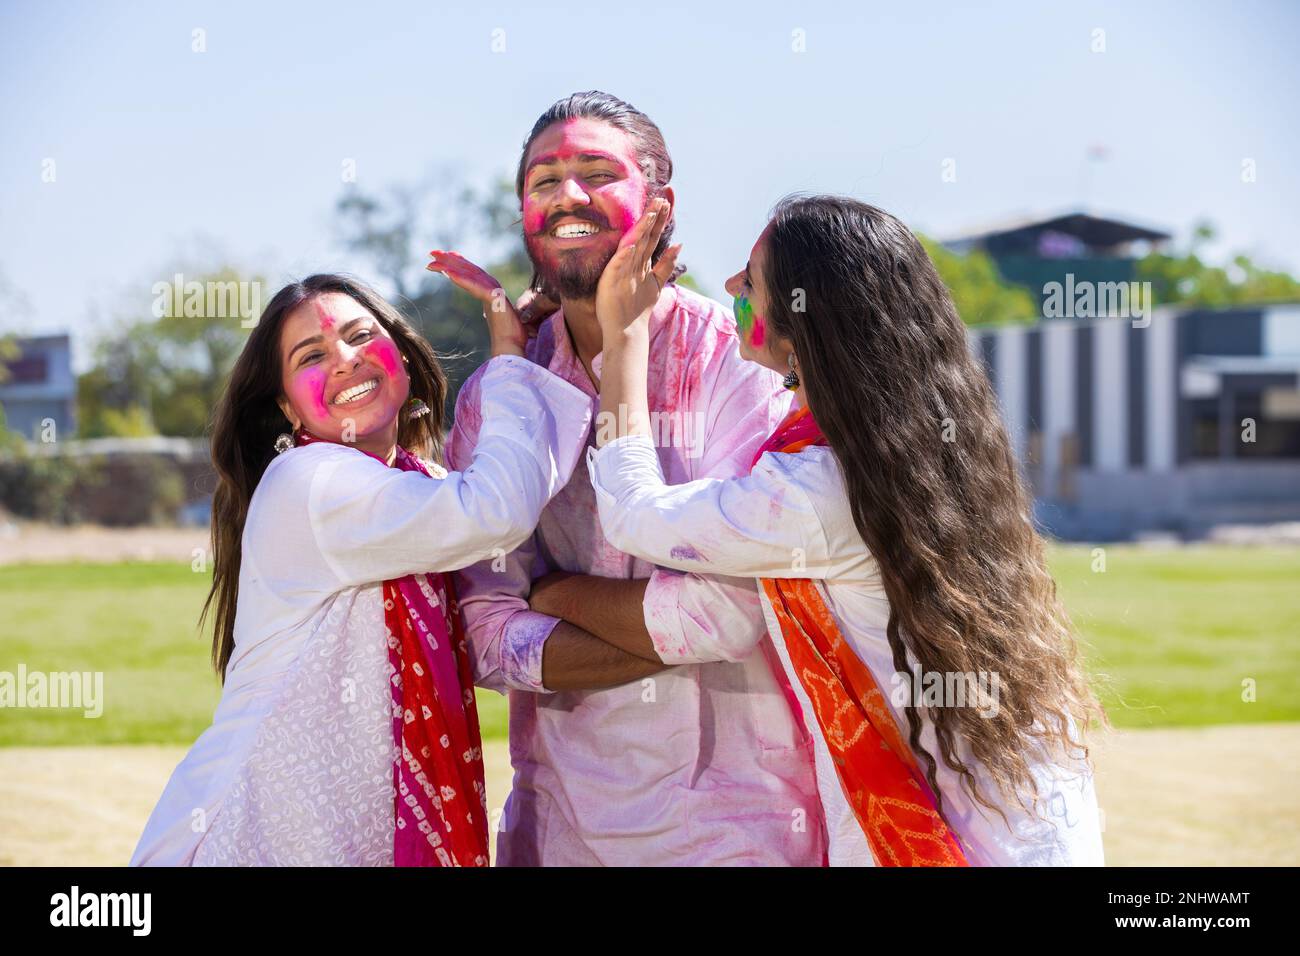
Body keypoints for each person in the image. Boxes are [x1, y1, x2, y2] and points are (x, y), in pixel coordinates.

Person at [577, 194, 1107, 866]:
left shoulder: (817, 488)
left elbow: (634, 514)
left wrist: (623, 338)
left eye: (751, 277)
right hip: (1028, 812)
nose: (732, 288)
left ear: (805, 320)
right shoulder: (925, 449)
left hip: (953, 837)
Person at [428, 92, 825, 865]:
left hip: (738, 823)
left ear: (658, 205)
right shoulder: (503, 394)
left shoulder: (731, 362)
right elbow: (481, 635)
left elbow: (733, 614)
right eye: (544, 181)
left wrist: (551, 594)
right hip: (557, 826)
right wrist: (669, 628)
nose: (567, 196)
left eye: (596, 172)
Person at [131, 273, 591, 866]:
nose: (345, 360)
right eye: (313, 356)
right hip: (256, 833)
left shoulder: (413, 486)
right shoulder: (312, 482)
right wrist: (508, 357)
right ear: (283, 403)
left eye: (359, 335)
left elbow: (509, 517)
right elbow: (496, 510)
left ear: (397, 350)